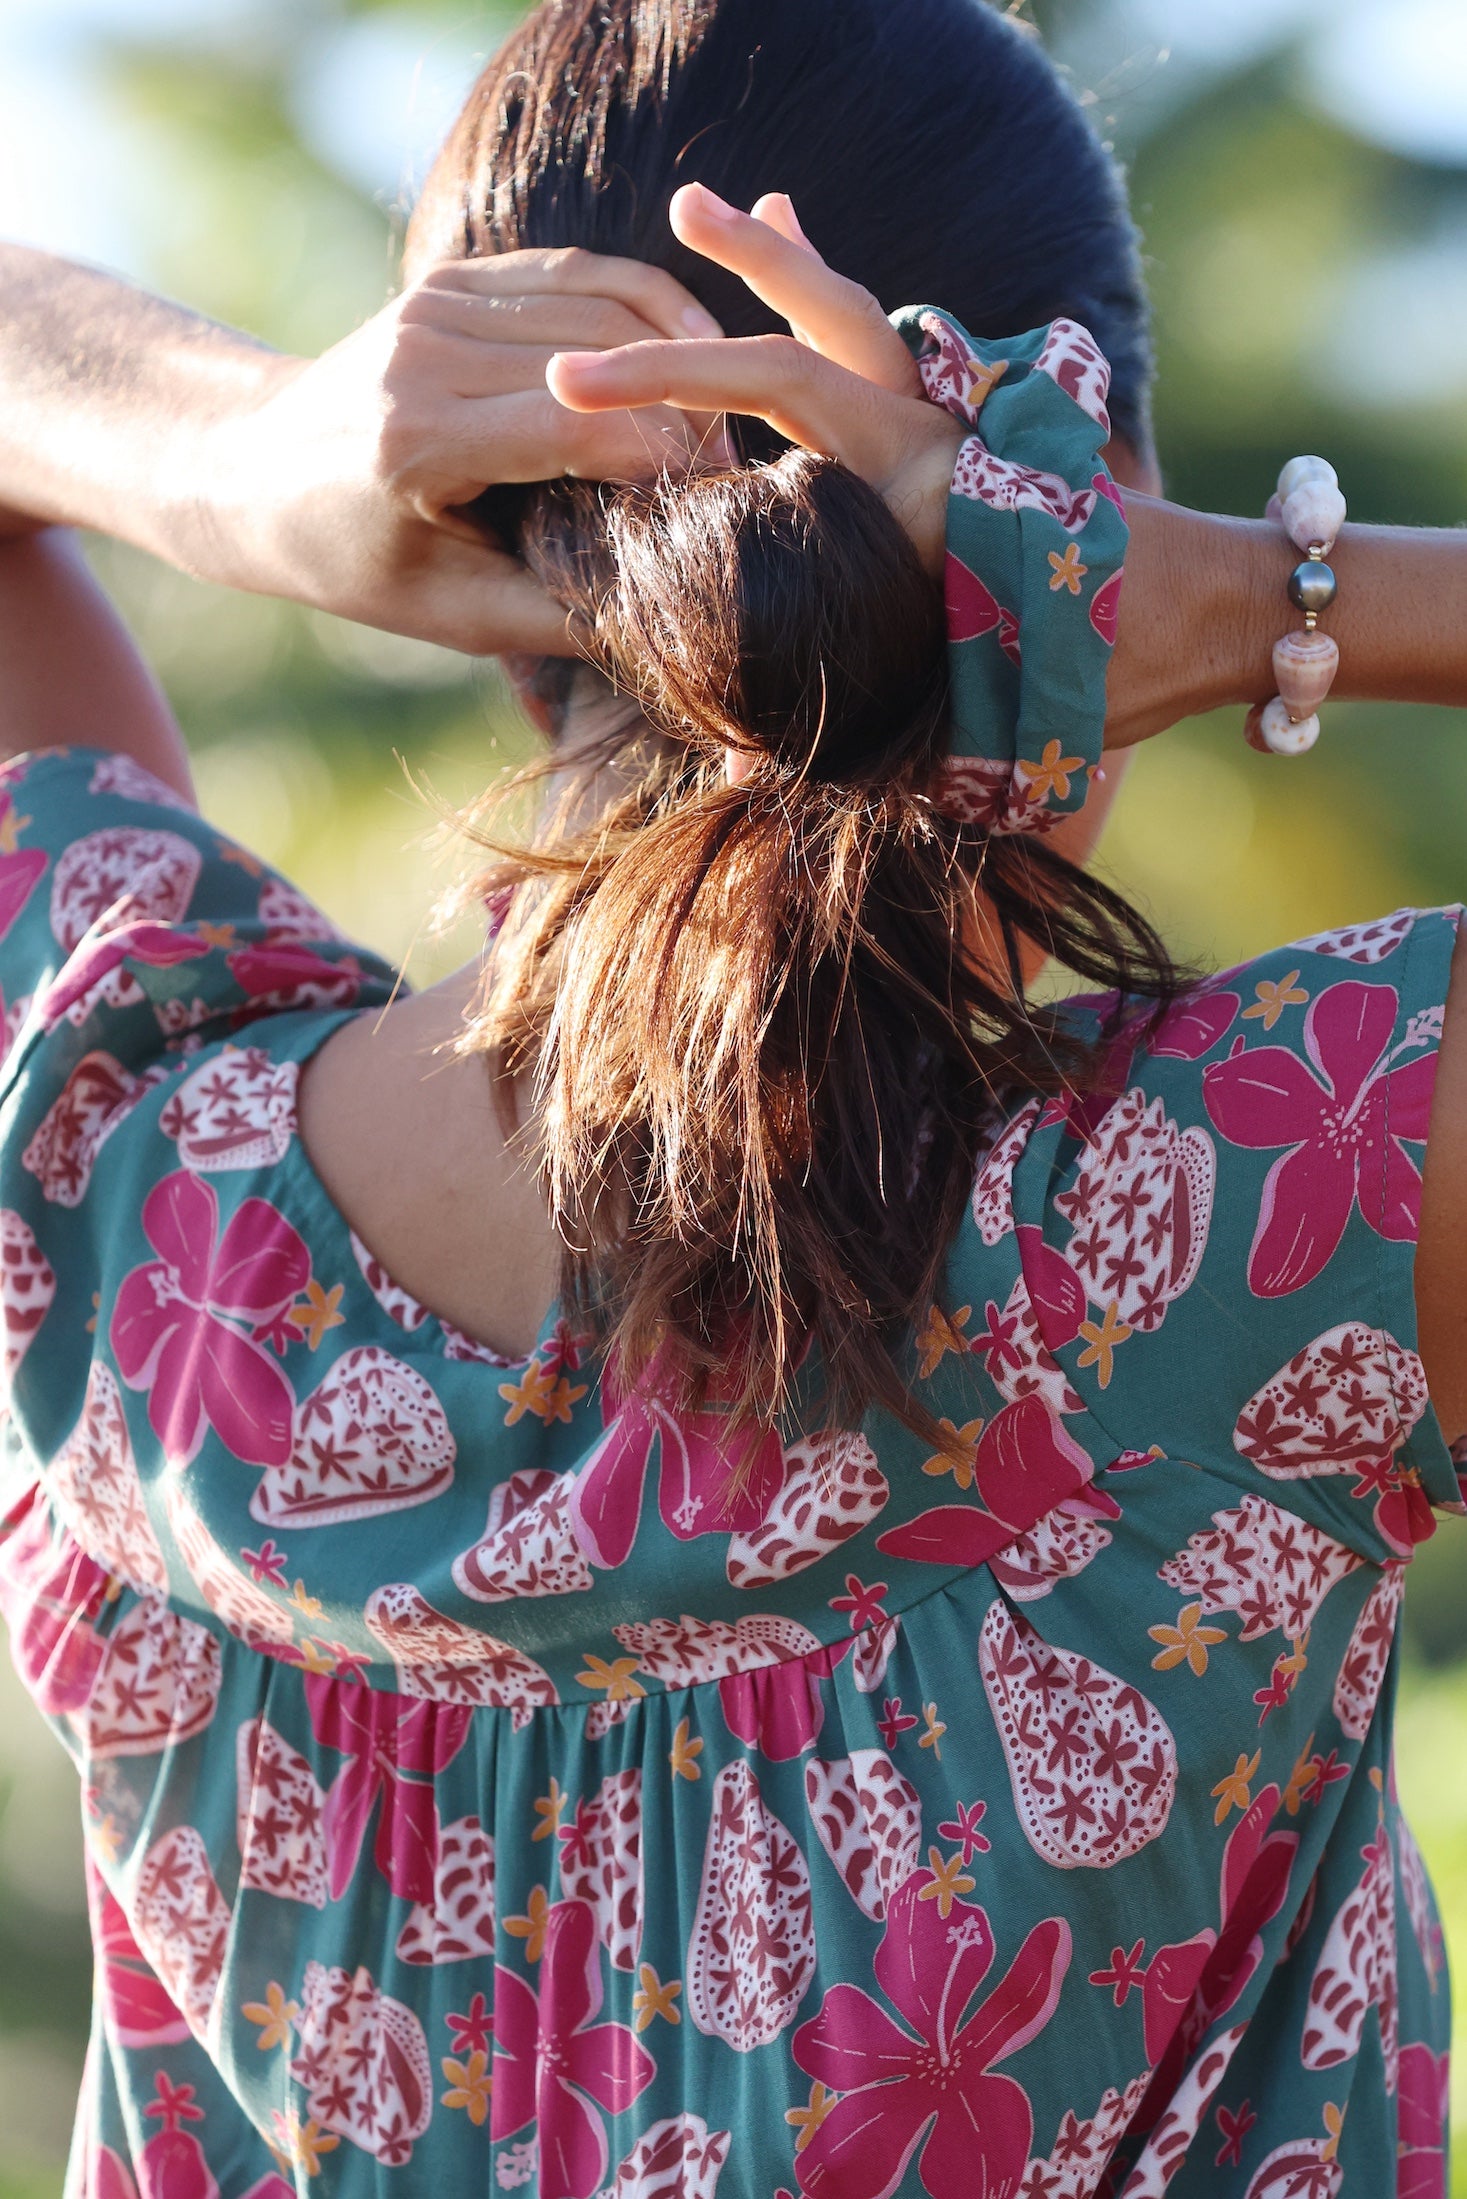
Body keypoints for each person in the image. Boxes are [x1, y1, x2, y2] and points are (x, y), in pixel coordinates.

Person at [2, 1, 1467, 2193]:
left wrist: (235, 471)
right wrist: (1284, 594)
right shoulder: (1255, 1214)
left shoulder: (132, 1201)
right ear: (1099, 511)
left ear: (447, 537)